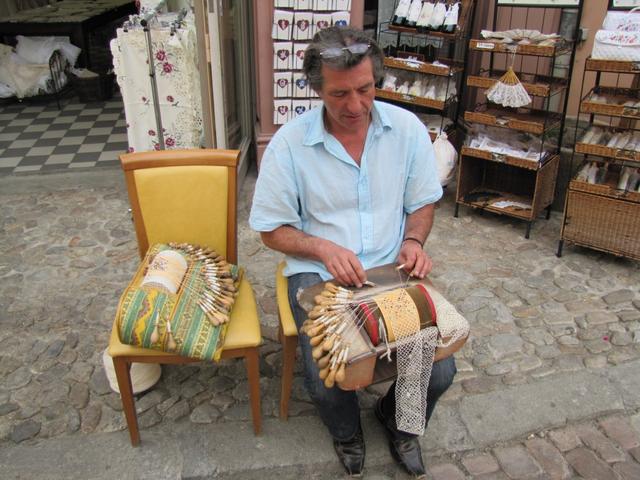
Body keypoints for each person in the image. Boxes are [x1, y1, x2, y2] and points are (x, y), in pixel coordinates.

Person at [249, 26, 456, 478]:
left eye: (365, 89)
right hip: (318, 272)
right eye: (339, 94)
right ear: (316, 89)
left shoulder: (406, 129)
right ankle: (346, 432)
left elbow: (423, 201)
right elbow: (270, 230)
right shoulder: (289, 144)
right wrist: (322, 247)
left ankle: (398, 421)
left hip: (389, 266)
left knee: (439, 370)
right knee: (332, 373)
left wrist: (413, 241)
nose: (356, 105)